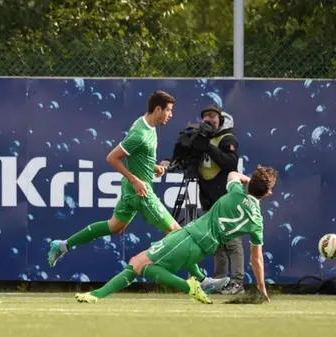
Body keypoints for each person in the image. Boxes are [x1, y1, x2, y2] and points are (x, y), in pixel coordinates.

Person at [47, 91, 229, 294]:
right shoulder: (139, 134)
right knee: (178, 233)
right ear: (158, 109)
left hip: (130, 190)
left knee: (113, 226)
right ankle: (202, 280)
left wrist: (154, 168)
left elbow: (138, 158)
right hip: (141, 193)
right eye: (168, 110)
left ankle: (62, 245)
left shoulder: (148, 126)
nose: (170, 115)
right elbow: (112, 158)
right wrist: (136, 181)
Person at [74, 166, 277, 304]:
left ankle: (189, 286)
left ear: (250, 184)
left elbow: (233, 174)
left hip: (191, 236)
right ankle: (95, 296)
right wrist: (261, 288)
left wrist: (250, 182)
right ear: (267, 193)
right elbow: (256, 259)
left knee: (138, 264)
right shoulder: (257, 221)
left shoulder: (236, 192)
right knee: (140, 264)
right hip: (203, 247)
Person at [193, 104, 244, 294]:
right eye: (205, 116)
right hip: (210, 200)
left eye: (213, 116)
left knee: (232, 242)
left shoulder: (227, 137)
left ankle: (237, 283)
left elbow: (231, 163)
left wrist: (207, 147)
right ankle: (220, 281)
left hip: (228, 199)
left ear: (220, 119)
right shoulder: (202, 139)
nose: (209, 119)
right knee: (217, 245)